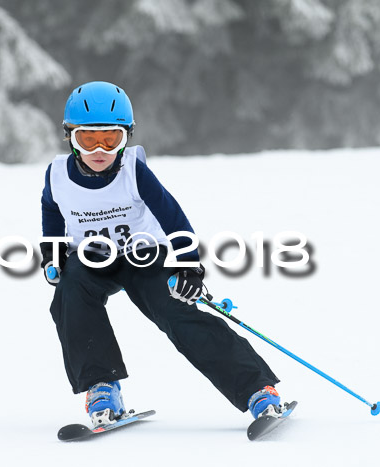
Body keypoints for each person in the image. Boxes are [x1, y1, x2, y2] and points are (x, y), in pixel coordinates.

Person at [40, 81, 282, 428]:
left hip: (144, 256)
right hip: (92, 260)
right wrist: (52, 251)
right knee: (69, 295)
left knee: (176, 312)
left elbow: (173, 217)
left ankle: (258, 390)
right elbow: (51, 207)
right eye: (87, 139)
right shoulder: (58, 175)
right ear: (70, 137)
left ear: (126, 137)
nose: (99, 149)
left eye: (111, 139)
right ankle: (101, 386)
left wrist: (188, 264)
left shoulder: (133, 171)